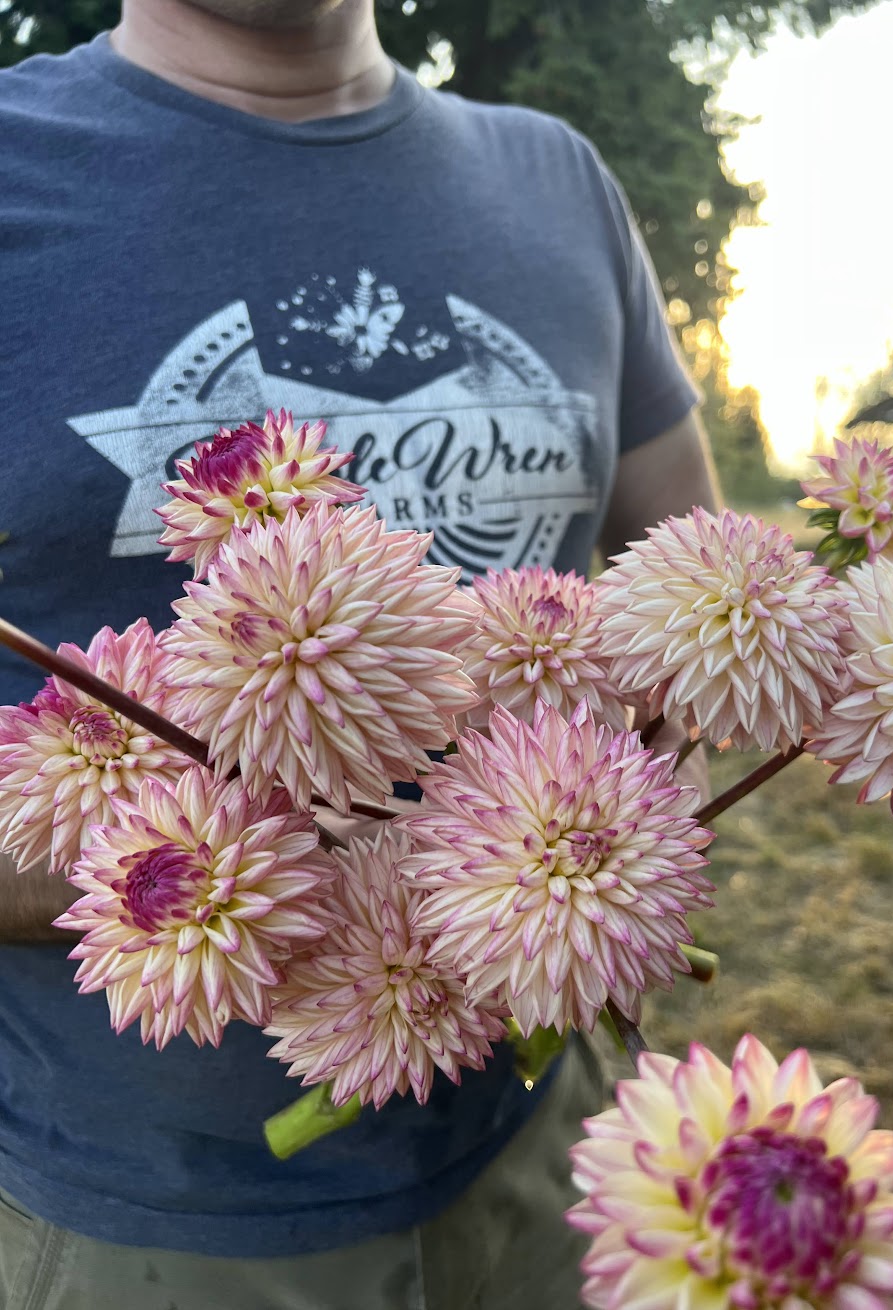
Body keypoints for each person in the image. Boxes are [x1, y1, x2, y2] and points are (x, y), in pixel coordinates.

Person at [0, 1, 720, 1305]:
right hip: (150, 1227)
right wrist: (213, 873)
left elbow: (684, 552)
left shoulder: (560, 177)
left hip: (559, 1149)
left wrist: (619, 800)